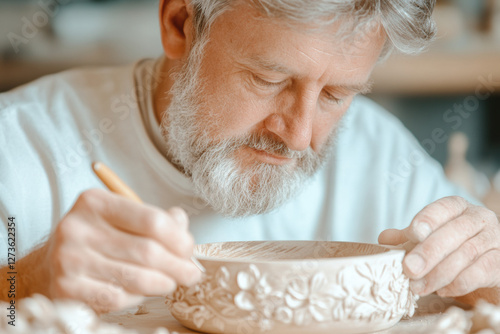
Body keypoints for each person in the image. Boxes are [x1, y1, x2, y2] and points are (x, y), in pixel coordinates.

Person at [1, 0, 499, 314]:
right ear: (180, 23)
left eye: (335, 95)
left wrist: (490, 278)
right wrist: (24, 282)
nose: (299, 135)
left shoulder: (379, 154)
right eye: (269, 80)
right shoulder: (19, 144)